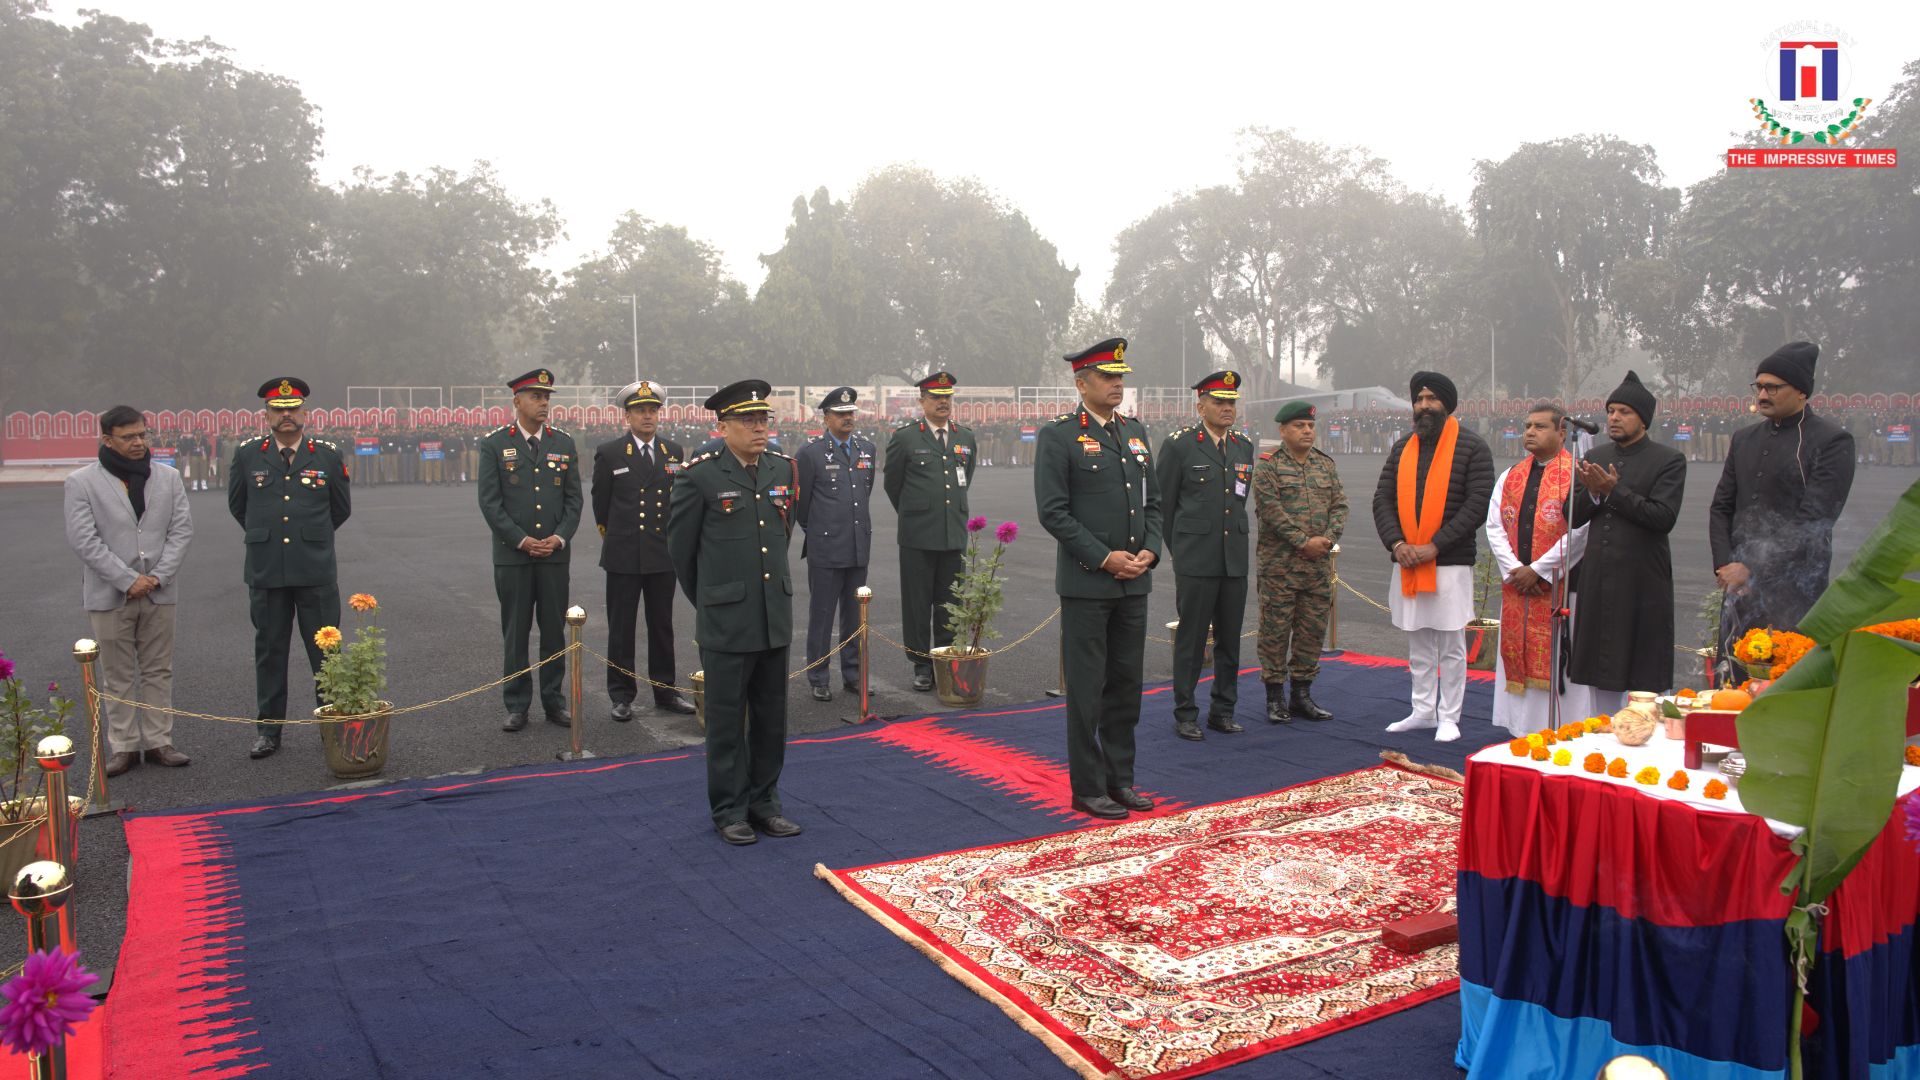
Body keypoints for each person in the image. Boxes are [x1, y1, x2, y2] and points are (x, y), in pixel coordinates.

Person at [667, 380, 803, 846]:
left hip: (773, 616)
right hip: (727, 619)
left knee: (771, 717)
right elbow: (682, 554)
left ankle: (766, 803)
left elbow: (782, 535)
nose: (759, 428)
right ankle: (729, 809)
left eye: (763, 419)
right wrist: (712, 601)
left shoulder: (783, 469)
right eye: (748, 421)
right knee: (726, 721)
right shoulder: (698, 475)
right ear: (722, 426)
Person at [1034, 338, 1163, 819]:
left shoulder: (1135, 432)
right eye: (1107, 376)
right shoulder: (1061, 435)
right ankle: (1088, 787)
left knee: (1126, 686)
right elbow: (1054, 512)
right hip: (1090, 583)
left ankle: (1120, 780)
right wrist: (1104, 558)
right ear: (1081, 381)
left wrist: (1150, 549)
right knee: (1087, 692)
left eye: (1120, 376)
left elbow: (1153, 502)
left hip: (1135, 581)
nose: (1117, 383)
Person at [65, 404, 194, 775]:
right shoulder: (82, 482)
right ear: (107, 439)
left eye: (142, 434)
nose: (139, 442)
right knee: (117, 675)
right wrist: (127, 579)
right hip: (110, 595)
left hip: (159, 591)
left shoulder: (167, 477)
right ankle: (123, 746)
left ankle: (158, 741)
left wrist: (156, 577)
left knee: (158, 670)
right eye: (129, 437)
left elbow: (181, 531)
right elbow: (83, 540)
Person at [1709, 342, 1856, 666]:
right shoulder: (1744, 438)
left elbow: (1814, 522)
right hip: (1740, 590)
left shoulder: (1832, 441)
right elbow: (1721, 507)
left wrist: (1752, 568)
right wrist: (1725, 567)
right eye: (1758, 386)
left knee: (1783, 691)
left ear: (1801, 391)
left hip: (1794, 592)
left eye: (1772, 387)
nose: (1762, 395)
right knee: (1731, 686)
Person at [228, 378, 352, 760]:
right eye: (278, 409)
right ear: (266, 415)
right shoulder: (248, 454)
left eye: (293, 409)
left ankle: (332, 727)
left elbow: (340, 508)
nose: (286, 416)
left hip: (314, 569)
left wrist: (308, 537)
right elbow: (239, 506)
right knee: (270, 651)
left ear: (305, 413)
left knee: (326, 654)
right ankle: (268, 731)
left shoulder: (327, 454)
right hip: (266, 571)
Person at [1374, 372, 1494, 743]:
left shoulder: (1473, 447)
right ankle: (1423, 710)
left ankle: (1449, 716)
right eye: (1419, 399)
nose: (1424, 405)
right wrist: (1397, 544)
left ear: (1447, 403)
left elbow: (1476, 505)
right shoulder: (1402, 447)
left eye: (1431, 398)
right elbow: (1382, 500)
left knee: (1451, 644)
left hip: (1450, 561)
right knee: (1419, 641)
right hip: (1408, 560)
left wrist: (1435, 545)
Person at [1568, 371, 1688, 711]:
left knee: (1643, 678)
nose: (1614, 418)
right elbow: (1571, 514)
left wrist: (1613, 491)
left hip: (1642, 584)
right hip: (1599, 580)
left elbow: (1662, 517)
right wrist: (1592, 492)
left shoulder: (1668, 460)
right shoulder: (1595, 456)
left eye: (1624, 412)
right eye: (1611, 411)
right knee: (1600, 675)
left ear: (1643, 419)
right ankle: (1601, 740)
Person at [477, 369, 583, 732]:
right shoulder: (493, 444)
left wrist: (560, 537)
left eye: (547, 397)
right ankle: (517, 704)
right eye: (536, 397)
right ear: (517, 401)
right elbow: (490, 504)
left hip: (554, 555)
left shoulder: (564, 443)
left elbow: (574, 500)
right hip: (514, 556)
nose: (543, 403)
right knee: (516, 631)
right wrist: (521, 539)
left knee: (554, 631)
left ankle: (554, 701)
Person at [1484, 403, 1596, 737]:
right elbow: (1494, 527)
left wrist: (1540, 570)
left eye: (1540, 426)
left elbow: (1580, 531)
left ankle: (1563, 728)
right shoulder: (1511, 475)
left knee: (1559, 659)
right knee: (1518, 654)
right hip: (1518, 586)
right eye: (1528, 425)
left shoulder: (1576, 474)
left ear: (1563, 432)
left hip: (1560, 588)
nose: (1530, 432)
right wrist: (1516, 569)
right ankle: (1520, 729)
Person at [1156, 371, 1255, 741]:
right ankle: (1185, 712)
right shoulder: (1180, 445)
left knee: (1230, 639)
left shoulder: (1243, 445)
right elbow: (1164, 507)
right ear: (1201, 406)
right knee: (1192, 640)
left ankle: (1222, 710)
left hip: (1234, 559)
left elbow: (1239, 500)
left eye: (1231, 402)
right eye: (1219, 401)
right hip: (1196, 559)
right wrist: (1181, 552)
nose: (1227, 408)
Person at [590, 381, 695, 721]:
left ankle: (666, 693)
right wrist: (615, 536)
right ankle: (621, 695)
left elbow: (677, 501)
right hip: (623, 553)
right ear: (628, 415)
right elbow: (601, 505)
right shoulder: (610, 453)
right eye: (640, 410)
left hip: (662, 553)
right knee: (622, 628)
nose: (647, 416)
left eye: (652, 410)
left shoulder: (673, 452)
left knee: (662, 625)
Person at [1253, 400, 1348, 725]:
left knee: (1312, 631)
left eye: (1310, 426)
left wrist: (1328, 539)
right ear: (1282, 430)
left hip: (1316, 567)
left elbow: (1340, 506)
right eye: (1299, 426)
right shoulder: (1268, 466)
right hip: (1280, 568)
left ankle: (1302, 694)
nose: (1307, 431)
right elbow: (1270, 510)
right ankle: (1275, 695)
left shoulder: (1325, 465)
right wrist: (1302, 541)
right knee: (1275, 632)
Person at [883, 372, 977, 691]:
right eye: (936, 397)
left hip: (953, 534)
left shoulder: (965, 437)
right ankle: (921, 664)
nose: (943, 402)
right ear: (922, 401)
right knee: (917, 603)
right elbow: (892, 484)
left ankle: (945, 659)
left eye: (947, 397)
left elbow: (967, 477)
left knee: (950, 602)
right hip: (918, 536)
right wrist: (915, 514)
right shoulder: (906, 437)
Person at [795, 386, 876, 702]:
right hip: (826, 548)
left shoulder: (867, 449)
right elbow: (802, 506)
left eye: (851, 413)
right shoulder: (810, 453)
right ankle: (818, 676)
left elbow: (864, 493)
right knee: (822, 615)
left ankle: (853, 675)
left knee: (856, 616)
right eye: (840, 414)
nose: (847, 419)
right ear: (826, 417)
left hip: (857, 545)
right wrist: (819, 532)